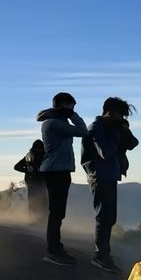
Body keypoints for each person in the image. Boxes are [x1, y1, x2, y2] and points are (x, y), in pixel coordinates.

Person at [82, 97, 139, 273]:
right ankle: (100, 256)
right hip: (99, 176)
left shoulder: (112, 127)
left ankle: (104, 253)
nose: (121, 118)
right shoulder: (96, 128)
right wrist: (116, 132)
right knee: (103, 217)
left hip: (111, 175)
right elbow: (105, 152)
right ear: (108, 111)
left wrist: (124, 129)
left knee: (110, 218)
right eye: (119, 115)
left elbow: (133, 143)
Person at [37, 92, 88, 266]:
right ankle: (53, 251)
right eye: (71, 107)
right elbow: (83, 131)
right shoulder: (54, 123)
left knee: (57, 212)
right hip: (56, 171)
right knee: (56, 212)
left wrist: (67, 115)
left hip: (57, 170)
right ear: (63, 105)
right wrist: (73, 116)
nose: (73, 110)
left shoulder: (55, 121)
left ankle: (56, 247)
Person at [14, 140, 47, 221]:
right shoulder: (44, 155)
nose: (39, 150)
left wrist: (27, 171)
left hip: (33, 182)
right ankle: (37, 220)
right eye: (38, 148)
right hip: (38, 182)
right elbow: (16, 167)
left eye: (40, 148)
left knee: (36, 201)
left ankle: (35, 220)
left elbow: (17, 167)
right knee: (40, 202)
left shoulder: (28, 156)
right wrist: (27, 170)